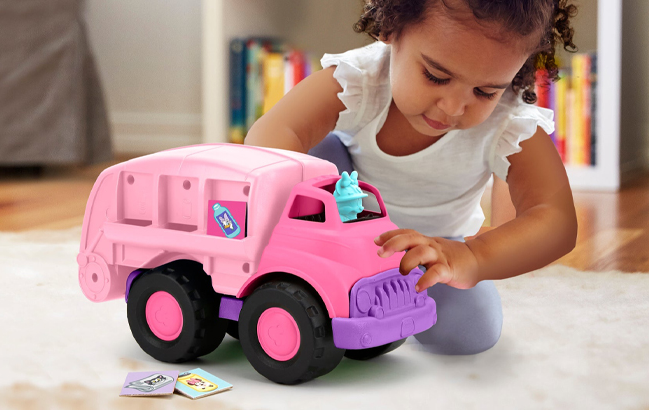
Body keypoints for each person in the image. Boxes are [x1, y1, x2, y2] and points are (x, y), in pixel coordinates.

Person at [245, 0, 579, 355]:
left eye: (484, 91)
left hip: (432, 251)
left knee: (472, 333)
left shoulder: (509, 121)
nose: (452, 107)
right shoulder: (361, 79)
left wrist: (473, 257)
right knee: (315, 153)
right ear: (391, 28)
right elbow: (272, 133)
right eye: (436, 76)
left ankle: (392, 309)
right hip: (342, 224)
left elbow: (556, 220)